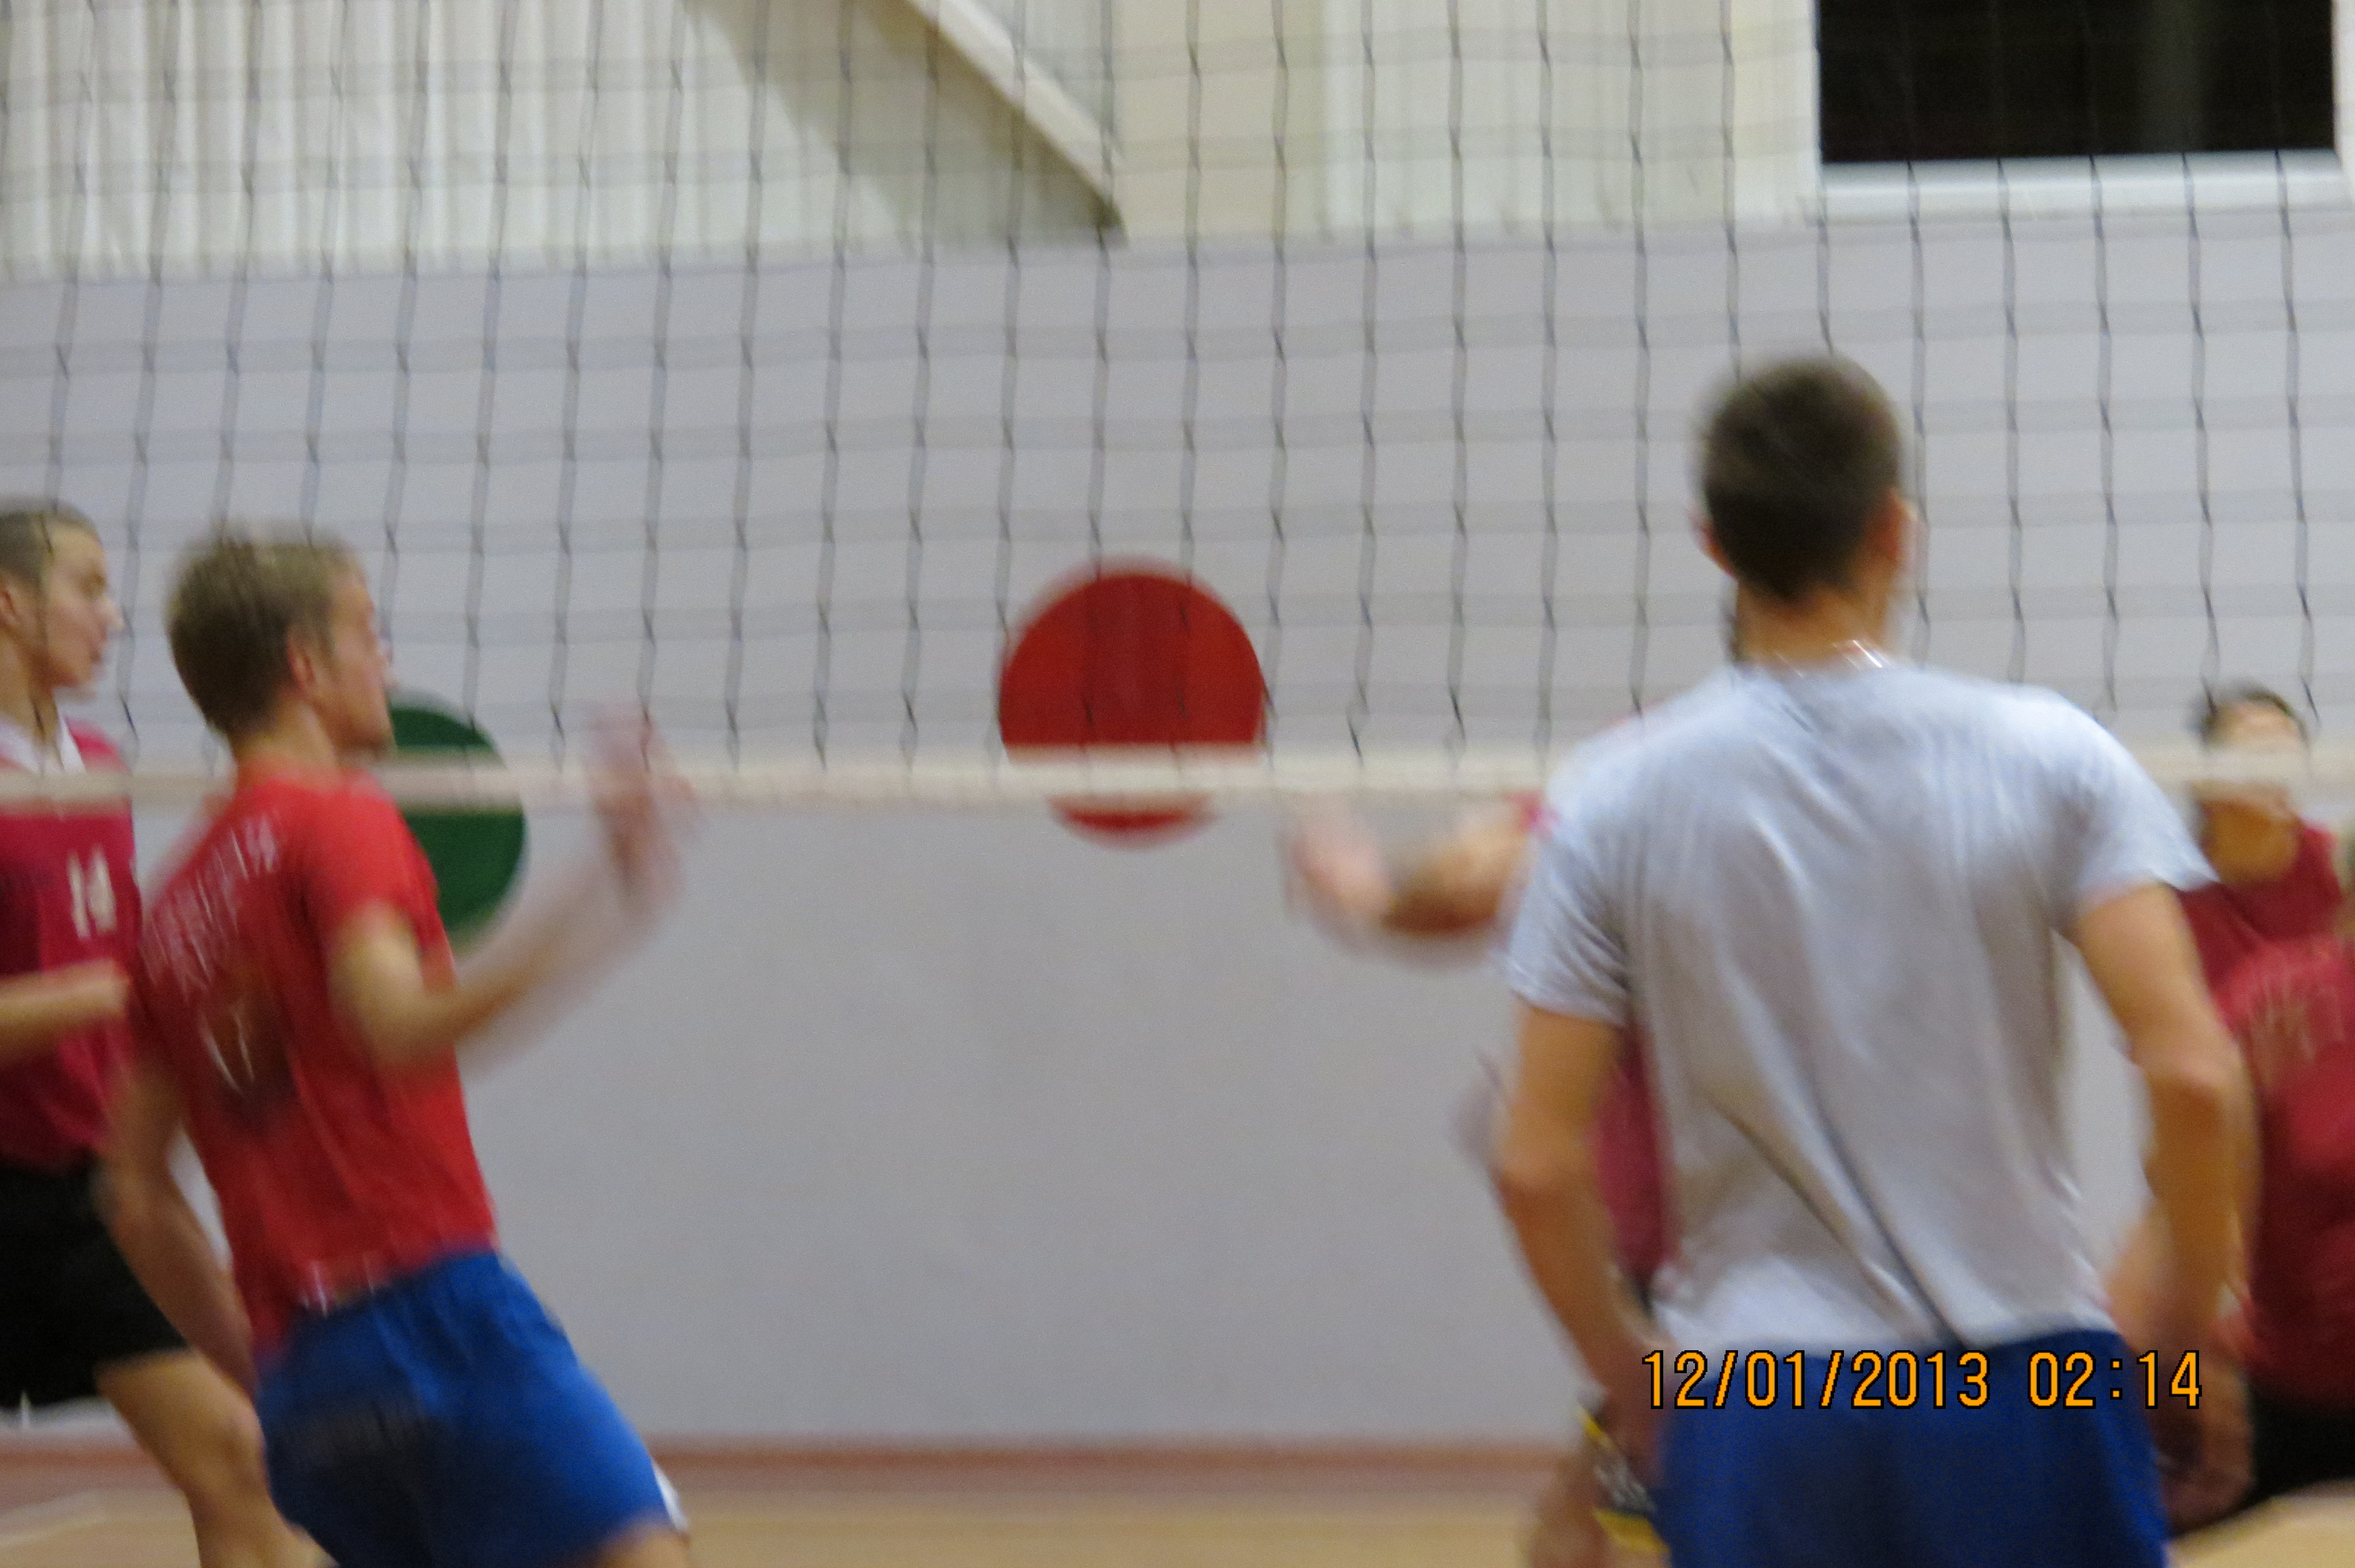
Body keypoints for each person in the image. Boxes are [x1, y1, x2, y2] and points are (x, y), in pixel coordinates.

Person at [1494, 357, 2256, 1568]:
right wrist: (2183, 1338)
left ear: (1713, 544)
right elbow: (2196, 1077)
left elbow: (1535, 1162)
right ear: (1895, 530)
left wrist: (1631, 1379)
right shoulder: (2051, 755)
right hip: (2025, 1381)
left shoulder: (1611, 796)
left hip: (1758, 1392)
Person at [103, 529, 693, 1568]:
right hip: (436, 1307)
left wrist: (262, 1364)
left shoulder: (172, 907)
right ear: (304, 663)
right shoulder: (339, 816)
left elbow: (132, 1192)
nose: (386, 661)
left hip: (307, 1376)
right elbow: (392, 1023)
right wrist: (605, 897)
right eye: (367, 632)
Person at [0, 504, 316, 1568]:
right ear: (9, 602)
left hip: (85, 1196)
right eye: (88, 587)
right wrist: (104, 992)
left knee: (237, 1452)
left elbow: (133, 971)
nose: (113, 615)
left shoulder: (98, 764)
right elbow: (111, 983)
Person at [1288, 795, 1667, 1568]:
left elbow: (1467, 884)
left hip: (1735, 1280)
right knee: (1582, 1530)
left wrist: (1370, 891)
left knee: (1606, 1532)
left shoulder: (1636, 791)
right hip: (1833, 1295)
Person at [2178, 684, 2339, 996]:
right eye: (2260, 754)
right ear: (2204, 781)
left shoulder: (2341, 870)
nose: (2277, 770)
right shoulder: (2170, 894)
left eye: (2289, 756)